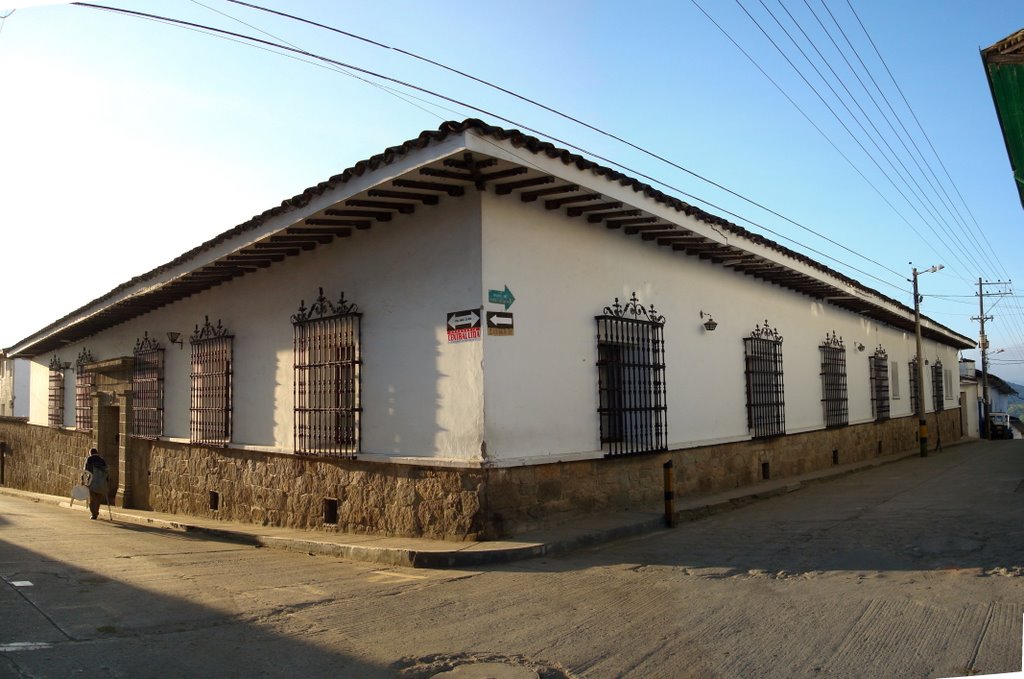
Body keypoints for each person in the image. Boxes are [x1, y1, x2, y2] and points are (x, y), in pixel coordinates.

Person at [83, 448, 108, 520]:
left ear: (90, 453)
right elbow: (106, 471)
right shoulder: (102, 460)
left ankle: (94, 513)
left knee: (92, 498)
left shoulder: (89, 459)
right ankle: (96, 512)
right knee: (98, 498)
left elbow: (85, 470)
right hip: (101, 482)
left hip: (92, 481)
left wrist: (84, 480)